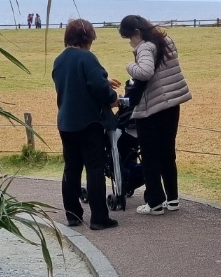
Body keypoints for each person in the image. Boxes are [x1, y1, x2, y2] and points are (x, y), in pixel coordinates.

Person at [52, 18, 120, 230]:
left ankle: (73, 214)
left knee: (71, 168)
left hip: (65, 122)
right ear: (87, 38)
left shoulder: (59, 60)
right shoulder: (87, 57)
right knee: (94, 168)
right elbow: (98, 87)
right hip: (88, 121)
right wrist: (113, 97)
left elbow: (74, 83)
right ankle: (99, 217)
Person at [119, 14, 191, 214]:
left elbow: (145, 72)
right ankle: (173, 199)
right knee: (168, 153)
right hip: (172, 105)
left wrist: (129, 66)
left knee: (150, 157)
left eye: (129, 38)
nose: (130, 43)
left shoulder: (145, 47)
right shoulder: (166, 41)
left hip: (152, 109)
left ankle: (155, 203)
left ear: (136, 32)